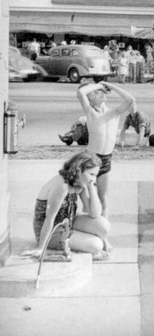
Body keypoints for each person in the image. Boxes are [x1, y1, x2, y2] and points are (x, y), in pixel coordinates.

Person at [22, 152, 111, 261]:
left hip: (68, 222)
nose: (94, 178)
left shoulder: (80, 183)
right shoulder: (62, 186)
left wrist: (92, 186)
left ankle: (79, 240)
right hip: (52, 232)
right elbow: (49, 218)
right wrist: (40, 248)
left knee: (104, 225)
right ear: (79, 171)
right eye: (91, 174)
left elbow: (95, 213)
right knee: (96, 245)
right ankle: (72, 243)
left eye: (96, 175)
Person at [77, 79, 135, 218]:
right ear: (89, 99)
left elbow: (130, 99)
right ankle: (89, 222)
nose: (99, 93)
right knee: (90, 202)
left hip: (106, 160)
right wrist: (97, 85)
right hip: (91, 158)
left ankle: (103, 236)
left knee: (102, 200)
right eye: (94, 93)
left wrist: (109, 86)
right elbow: (80, 92)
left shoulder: (114, 112)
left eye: (100, 91)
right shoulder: (90, 112)